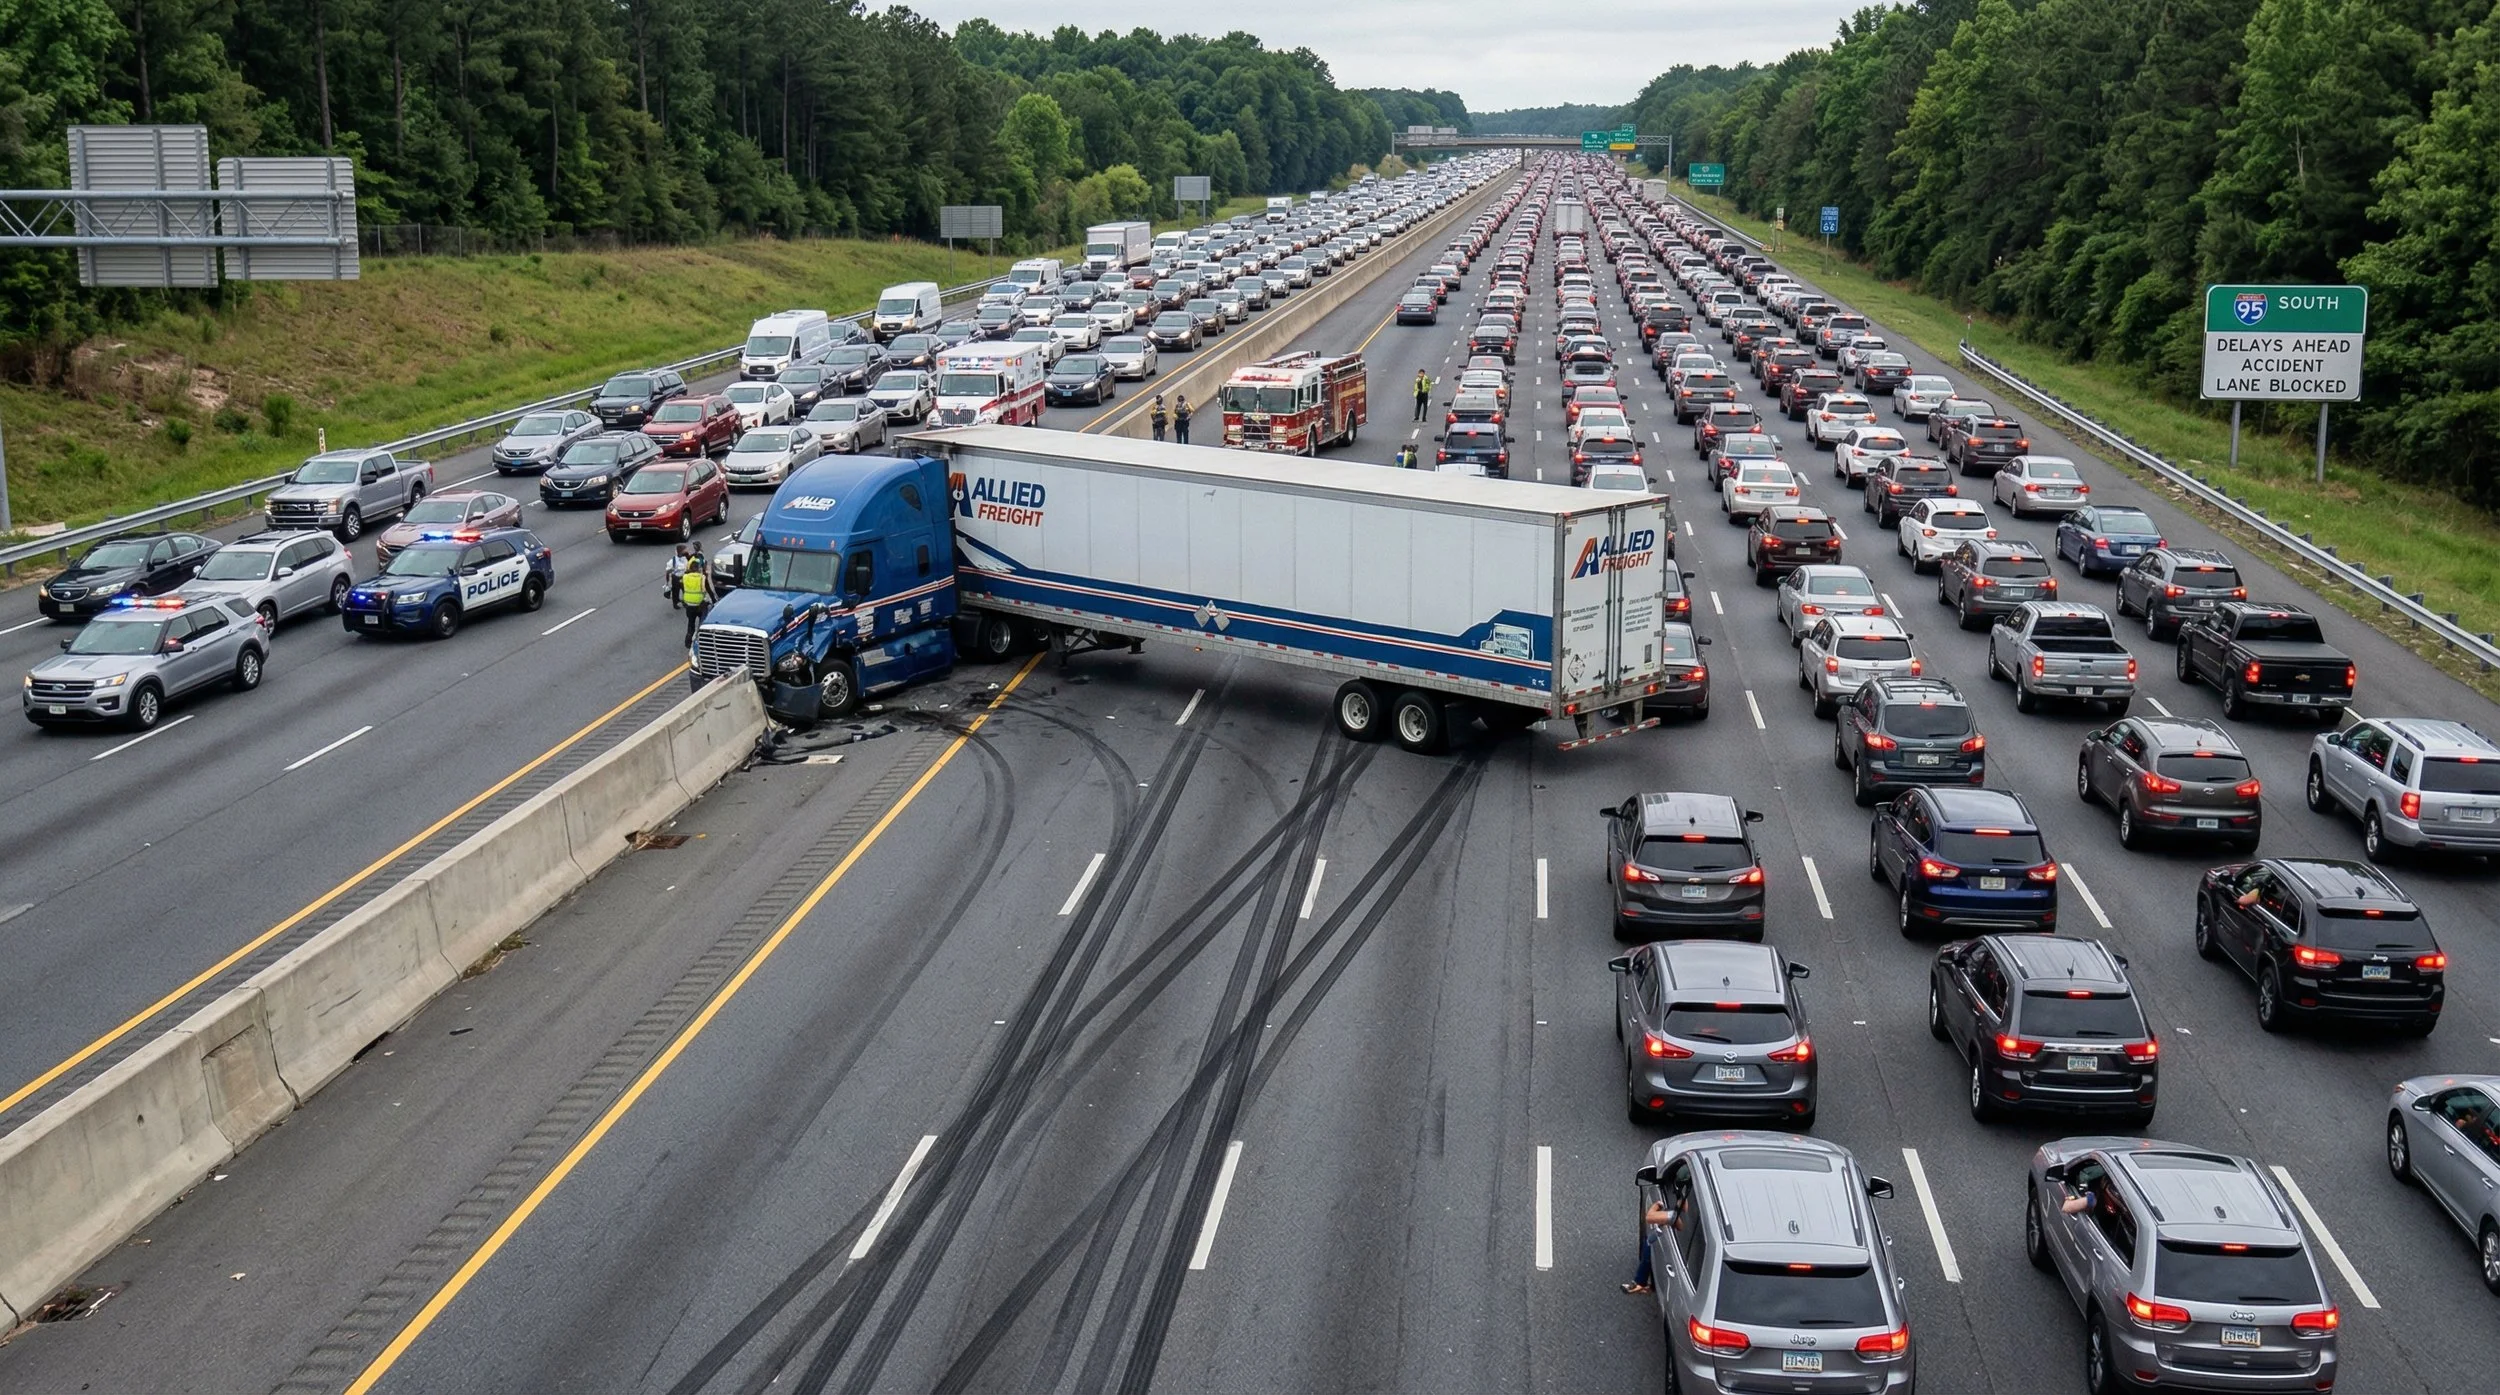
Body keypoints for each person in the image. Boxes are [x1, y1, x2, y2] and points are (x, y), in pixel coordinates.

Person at [1621, 1197, 1675, 1294]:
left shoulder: (1674, 1214)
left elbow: (1650, 1217)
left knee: (1649, 1243)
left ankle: (1640, 1282)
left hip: (1666, 1233)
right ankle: (1645, 1283)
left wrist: (1657, 1205)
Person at [680, 555, 710, 645]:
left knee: (691, 623)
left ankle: (688, 641)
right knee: (702, 622)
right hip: (700, 604)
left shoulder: (685, 577)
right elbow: (706, 590)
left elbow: (683, 588)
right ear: (699, 568)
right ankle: (702, 641)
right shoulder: (702, 578)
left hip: (689, 604)